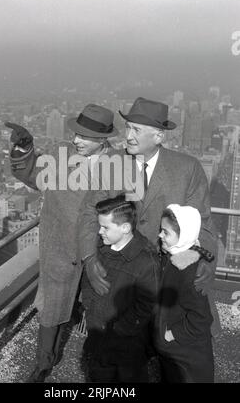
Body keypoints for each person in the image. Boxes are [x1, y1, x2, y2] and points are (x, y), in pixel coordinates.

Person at [78, 97, 221, 338]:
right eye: (128, 128)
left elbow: (202, 222)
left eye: (137, 130)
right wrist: (89, 259)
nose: (129, 136)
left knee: (170, 347)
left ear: (158, 136)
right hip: (120, 274)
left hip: (168, 274)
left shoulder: (188, 169)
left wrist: (205, 258)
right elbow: (89, 214)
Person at [5, 104, 120, 382]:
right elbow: (30, 175)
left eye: (85, 137)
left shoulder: (119, 164)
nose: (76, 140)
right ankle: (44, 362)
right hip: (59, 246)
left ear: (103, 140)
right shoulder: (60, 153)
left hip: (96, 250)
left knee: (99, 307)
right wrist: (24, 149)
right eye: (76, 134)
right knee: (51, 307)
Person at [82, 195, 158, 382]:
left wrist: (120, 329)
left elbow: (148, 305)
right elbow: (88, 283)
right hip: (98, 339)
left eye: (105, 227)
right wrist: (91, 311)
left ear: (125, 228)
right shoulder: (101, 249)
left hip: (127, 349)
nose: (100, 232)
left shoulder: (146, 262)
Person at [154, 204, 215, 383]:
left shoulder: (188, 272)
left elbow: (201, 319)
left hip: (187, 361)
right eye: (160, 230)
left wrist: (171, 334)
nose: (160, 236)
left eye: (166, 232)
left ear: (183, 236)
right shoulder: (177, 255)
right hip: (174, 354)